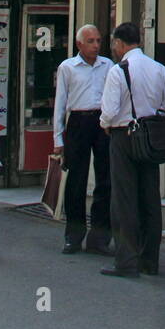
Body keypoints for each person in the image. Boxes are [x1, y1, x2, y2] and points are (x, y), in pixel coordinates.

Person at [99, 22, 165, 279]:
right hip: (150, 136)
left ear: (120, 43)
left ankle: (126, 260)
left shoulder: (118, 70)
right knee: (150, 198)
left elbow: (109, 110)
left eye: (114, 44)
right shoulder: (159, 68)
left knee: (124, 199)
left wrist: (105, 124)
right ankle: (149, 260)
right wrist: (152, 116)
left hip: (123, 135)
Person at [53, 25, 113, 254]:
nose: (96, 45)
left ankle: (100, 237)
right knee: (76, 180)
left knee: (105, 179)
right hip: (78, 121)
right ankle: (74, 235)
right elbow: (60, 103)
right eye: (91, 41)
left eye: (98, 40)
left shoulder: (107, 65)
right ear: (79, 44)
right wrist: (58, 138)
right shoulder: (68, 67)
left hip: (102, 122)